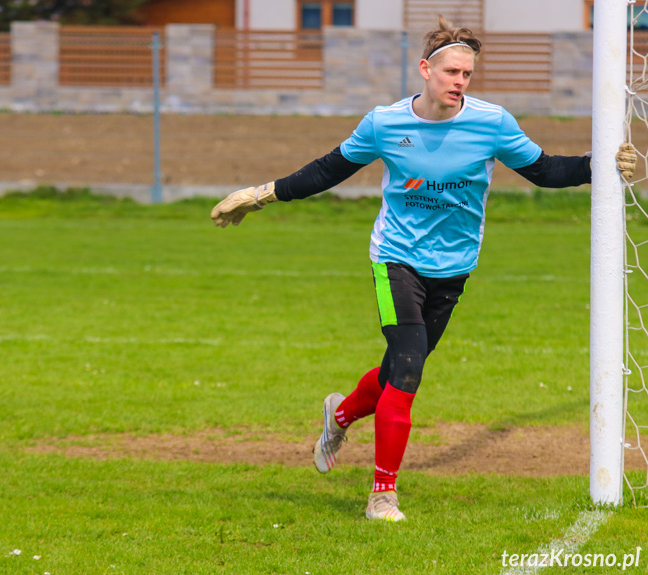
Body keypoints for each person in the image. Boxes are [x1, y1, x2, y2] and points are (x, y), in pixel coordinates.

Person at [210, 16, 638, 522]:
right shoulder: (385, 123)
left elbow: (544, 171)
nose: (460, 82)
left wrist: (602, 164)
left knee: (396, 370)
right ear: (425, 70)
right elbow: (328, 170)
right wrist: (259, 195)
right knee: (409, 367)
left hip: (454, 267)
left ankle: (340, 414)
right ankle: (382, 495)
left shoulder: (492, 123)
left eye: (468, 75)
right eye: (452, 71)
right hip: (395, 259)